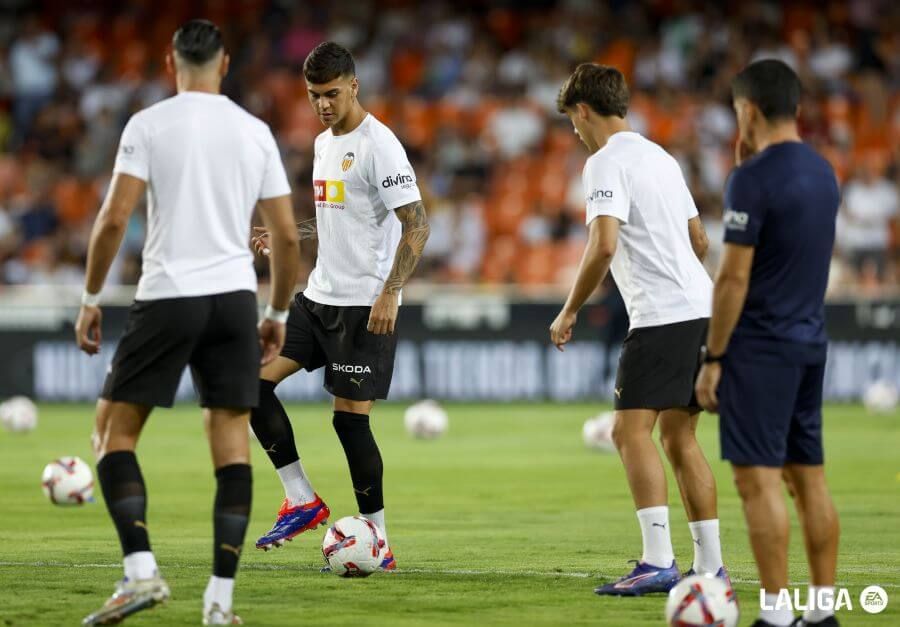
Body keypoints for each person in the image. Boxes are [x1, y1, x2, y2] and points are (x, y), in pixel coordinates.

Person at [76, 20, 299, 626]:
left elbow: (114, 218)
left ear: (171, 64)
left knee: (111, 436)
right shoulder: (253, 132)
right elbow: (283, 234)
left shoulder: (148, 125)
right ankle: (219, 605)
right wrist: (276, 311)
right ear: (224, 64)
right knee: (232, 451)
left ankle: (142, 573)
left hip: (169, 293)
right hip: (232, 299)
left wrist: (92, 296)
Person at [248, 41, 430, 569]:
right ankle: (301, 499)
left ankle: (378, 539)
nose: (322, 104)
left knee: (349, 423)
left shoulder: (381, 145)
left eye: (330, 93)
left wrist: (390, 290)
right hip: (318, 297)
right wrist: (286, 232)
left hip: (361, 306)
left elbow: (416, 223)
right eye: (313, 95)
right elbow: (334, 216)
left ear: (353, 85)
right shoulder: (325, 143)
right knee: (249, 383)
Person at [549, 63, 727, 596]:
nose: (574, 133)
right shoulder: (662, 156)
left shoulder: (603, 163)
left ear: (583, 110)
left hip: (661, 315)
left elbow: (603, 244)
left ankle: (656, 560)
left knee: (629, 432)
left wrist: (569, 309)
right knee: (679, 436)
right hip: (701, 306)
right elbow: (699, 241)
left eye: (572, 122)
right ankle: (710, 567)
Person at [695, 59, 841, 627]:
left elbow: (733, 277)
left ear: (747, 110)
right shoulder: (824, 171)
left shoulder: (751, 179)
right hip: (810, 341)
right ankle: (823, 611)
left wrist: (714, 357)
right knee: (810, 479)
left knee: (757, 481)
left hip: (760, 347)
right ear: (796, 108)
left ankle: (777, 615)